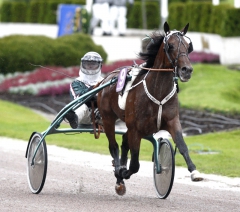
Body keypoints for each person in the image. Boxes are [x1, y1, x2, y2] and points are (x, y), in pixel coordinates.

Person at [64, 51, 103, 129]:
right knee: (82, 105)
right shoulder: (76, 83)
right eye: (88, 64)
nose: (90, 66)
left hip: (103, 116)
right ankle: (73, 118)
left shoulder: (105, 82)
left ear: (100, 66)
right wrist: (92, 90)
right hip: (85, 116)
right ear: (82, 65)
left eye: (93, 64)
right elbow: (79, 98)